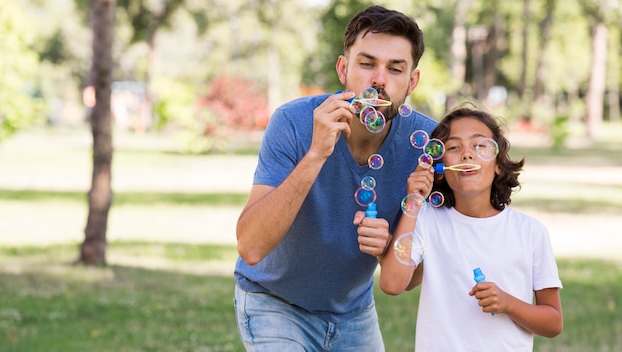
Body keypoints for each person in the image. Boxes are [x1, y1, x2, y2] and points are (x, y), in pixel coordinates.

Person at [233, 5, 437, 351]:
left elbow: (417, 274)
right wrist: (315, 154)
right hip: (274, 302)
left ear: (412, 81)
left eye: (395, 68)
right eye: (367, 63)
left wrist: (389, 248)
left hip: (353, 312)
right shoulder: (294, 123)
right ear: (344, 68)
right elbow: (251, 247)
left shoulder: (427, 144)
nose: (379, 79)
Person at [379, 104, 563, 351]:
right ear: (440, 169)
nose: (466, 154)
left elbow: (553, 322)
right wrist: (413, 200)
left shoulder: (530, 232)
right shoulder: (427, 219)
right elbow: (391, 284)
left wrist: (508, 303)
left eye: (480, 146)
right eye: (453, 147)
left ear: (498, 164)